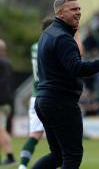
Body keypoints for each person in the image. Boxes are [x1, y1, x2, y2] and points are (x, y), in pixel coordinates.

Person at [32, 0, 99, 169]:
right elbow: (77, 69)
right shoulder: (63, 37)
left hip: (44, 100)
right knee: (72, 155)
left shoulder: (48, 34)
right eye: (73, 9)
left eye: (79, 9)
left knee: (57, 156)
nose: (78, 13)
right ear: (60, 13)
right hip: (60, 102)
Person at [18, 17, 53, 169]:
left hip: (35, 93)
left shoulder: (34, 46)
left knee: (34, 135)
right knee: (64, 138)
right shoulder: (51, 44)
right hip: (49, 93)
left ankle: (22, 166)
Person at [0, 39, 16, 166]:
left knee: (0, 130)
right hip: (8, 101)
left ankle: (10, 157)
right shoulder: (8, 63)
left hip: (1, 101)